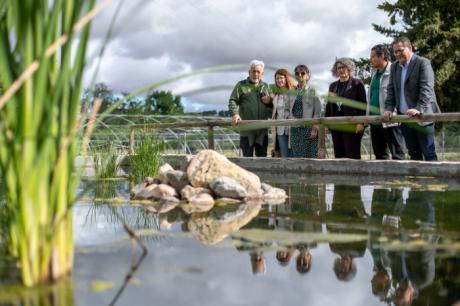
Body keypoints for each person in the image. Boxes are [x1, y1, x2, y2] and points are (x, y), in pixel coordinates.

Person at [381, 37, 441, 161]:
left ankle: (434, 181)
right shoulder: (394, 67)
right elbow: (391, 90)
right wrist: (388, 109)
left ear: (410, 48)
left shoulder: (423, 63)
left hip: (423, 118)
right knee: (414, 156)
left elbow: (427, 89)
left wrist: (418, 109)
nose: (397, 54)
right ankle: (416, 181)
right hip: (405, 119)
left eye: (400, 50)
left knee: (429, 154)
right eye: (395, 52)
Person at [367, 44, 406, 160]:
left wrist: (393, 112)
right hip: (375, 121)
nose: (371, 59)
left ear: (382, 56)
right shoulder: (374, 73)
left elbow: (398, 94)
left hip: (390, 120)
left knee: (397, 155)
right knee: (380, 156)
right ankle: (382, 179)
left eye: (373, 56)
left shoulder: (395, 70)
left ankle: (399, 178)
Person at [229, 60, 272, 157]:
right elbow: (233, 100)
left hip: (262, 129)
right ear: (249, 72)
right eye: (253, 71)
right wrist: (235, 114)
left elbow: (273, 105)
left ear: (262, 74)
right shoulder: (241, 85)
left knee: (262, 158)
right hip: (246, 129)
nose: (255, 74)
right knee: (247, 159)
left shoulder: (266, 87)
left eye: (258, 72)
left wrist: (269, 102)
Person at [325, 58, 367, 159]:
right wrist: (326, 124)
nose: (341, 70)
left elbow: (363, 105)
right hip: (336, 126)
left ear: (349, 68)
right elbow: (329, 105)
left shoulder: (357, 84)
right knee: (339, 156)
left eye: (343, 67)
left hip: (352, 126)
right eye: (338, 68)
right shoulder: (333, 86)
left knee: (352, 155)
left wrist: (361, 123)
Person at [290, 65, 321, 158]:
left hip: (309, 130)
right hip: (295, 129)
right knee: (298, 157)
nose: (300, 75)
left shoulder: (313, 91)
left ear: (307, 76)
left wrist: (314, 128)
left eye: (302, 73)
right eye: (297, 73)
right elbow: (287, 109)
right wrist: (291, 119)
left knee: (311, 157)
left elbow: (317, 112)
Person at [271, 68, 296, 157]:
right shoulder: (276, 95)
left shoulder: (295, 92)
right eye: (277, 78)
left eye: (281, 78)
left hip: (292, 129)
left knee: (295, 155)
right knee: (285, 155)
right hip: (280, 129)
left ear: (286, 78)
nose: (279, 80)